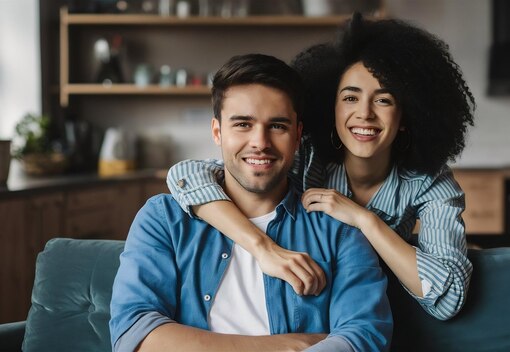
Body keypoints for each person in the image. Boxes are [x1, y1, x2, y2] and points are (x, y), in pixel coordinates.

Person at [167, 14, 474, 322]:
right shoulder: (305, 155)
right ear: (331, 106)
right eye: (350, 97)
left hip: (375, 315)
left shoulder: (431, 181)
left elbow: (448, 298)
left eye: (383, 100)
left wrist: (364, 220)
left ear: (406, 116)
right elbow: (185, 176)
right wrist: (262, 249)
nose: (364, 114)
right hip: (311, 309)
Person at [109, 53, 392, 352]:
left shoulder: (339, 230)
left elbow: (364, 337)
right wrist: (286, 346)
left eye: (278, 126)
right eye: (243, 124)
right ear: (218, 132)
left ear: (297, 136)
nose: (260, 142)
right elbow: (136, 336)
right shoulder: (163, 219)